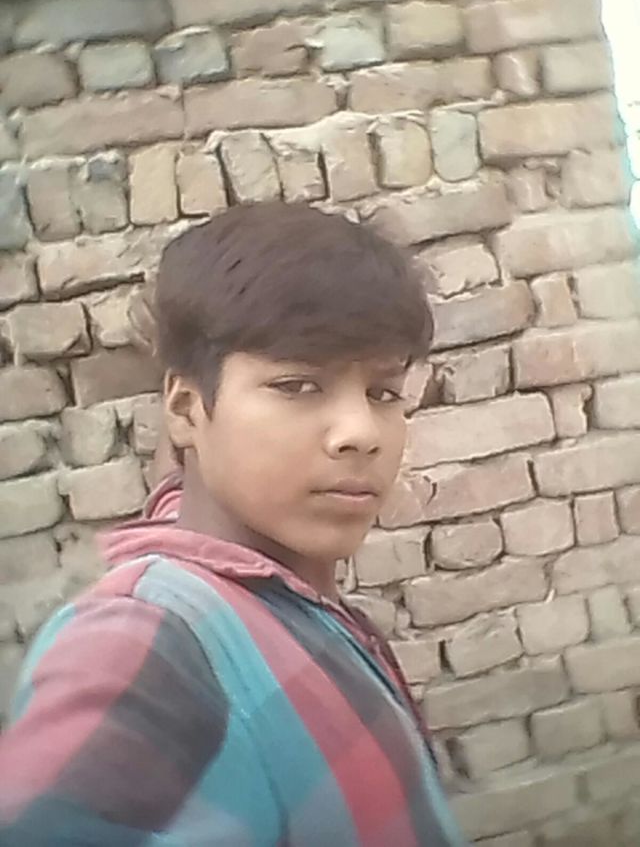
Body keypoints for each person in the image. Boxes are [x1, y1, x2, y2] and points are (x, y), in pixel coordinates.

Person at [0, 203, 466, 846]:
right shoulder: (146, 640)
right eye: (298, 386)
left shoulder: (277, 588)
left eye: (383, 393)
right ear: (186, 408)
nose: (362, 432)